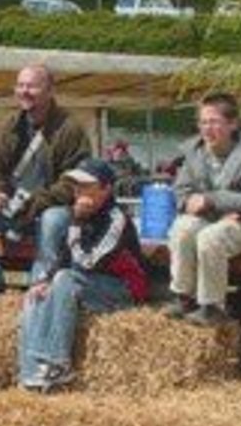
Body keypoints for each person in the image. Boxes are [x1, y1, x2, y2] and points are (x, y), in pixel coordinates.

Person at [0, 64, 90, 299]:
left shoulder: (70, 129)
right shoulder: (8, 127)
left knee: (54, 217)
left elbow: (74, 180)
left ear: (49, 90)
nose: (24, 91)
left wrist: (37, 202)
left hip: (47, 209)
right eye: (20, 85)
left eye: (32, 86)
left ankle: (40, 282)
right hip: (12, 209)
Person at [17, 157, 147, 392]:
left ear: (106, 189)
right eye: (76, 185)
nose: (78, 191)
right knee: (36, 293)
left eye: (86, 185)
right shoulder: (81, 216)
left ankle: (58, 364)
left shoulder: (117, 219)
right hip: (87, 284)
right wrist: (45, 282)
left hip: (122, 290)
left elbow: (88, 262)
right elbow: (64, 257)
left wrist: (75, 221)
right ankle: (30, 373)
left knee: (65, 279)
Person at [164, 92, 241, 327]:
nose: (207, 129)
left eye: (214, 122)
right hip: (209, 218)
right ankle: (183, 296)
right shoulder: (194, 152)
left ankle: (212, 307)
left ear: (232, 124)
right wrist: (190, 203)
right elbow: (181, 192)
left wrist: (212, 201)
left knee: (210, 238)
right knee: (182, 228)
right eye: (203, 122)